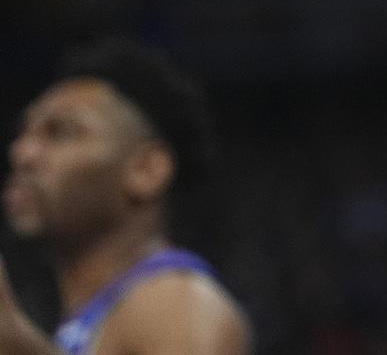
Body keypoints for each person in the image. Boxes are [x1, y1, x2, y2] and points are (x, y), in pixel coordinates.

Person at [0, 39, 249, 355]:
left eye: (60, 132)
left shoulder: (173, 299)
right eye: (24, 134)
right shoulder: (95, 318)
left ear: (146, 170)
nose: (22, 153)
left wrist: (18, 347)